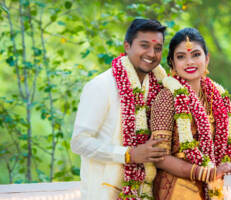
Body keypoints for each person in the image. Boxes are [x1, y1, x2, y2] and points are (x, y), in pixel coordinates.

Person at [70, 19, 169, 200]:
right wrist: (128, 154)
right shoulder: (101, 86)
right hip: (102, 193)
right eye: (144, 45)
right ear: (127, 46)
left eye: (158, 48)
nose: (151, 53)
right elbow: (79, 142)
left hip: (146, 193)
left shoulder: (160, 89)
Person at [150, 28, 231, 200]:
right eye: (181, 57)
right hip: (177, 189)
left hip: (215, 188)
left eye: (196, 55)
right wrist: (207, 173)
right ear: (172, 62)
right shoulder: (166, 98)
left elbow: (223, 148)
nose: (189, 62)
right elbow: (159, 157)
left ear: (207, 58)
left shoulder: (218, 98)